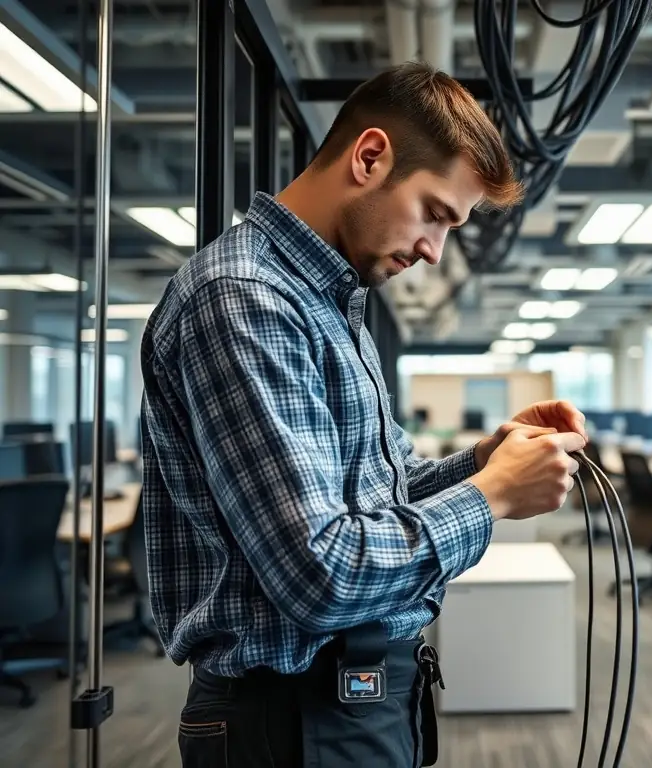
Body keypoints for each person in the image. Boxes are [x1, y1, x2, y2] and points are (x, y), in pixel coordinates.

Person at [139, 62, 588, 768]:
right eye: (435, 213)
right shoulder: (246, 297)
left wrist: (484, 459)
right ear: (370, 157)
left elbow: (377, 495)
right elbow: (322, 575)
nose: (433, 251)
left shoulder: (326, 302)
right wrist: (493, 495)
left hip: (347, 703)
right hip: (294, 719)